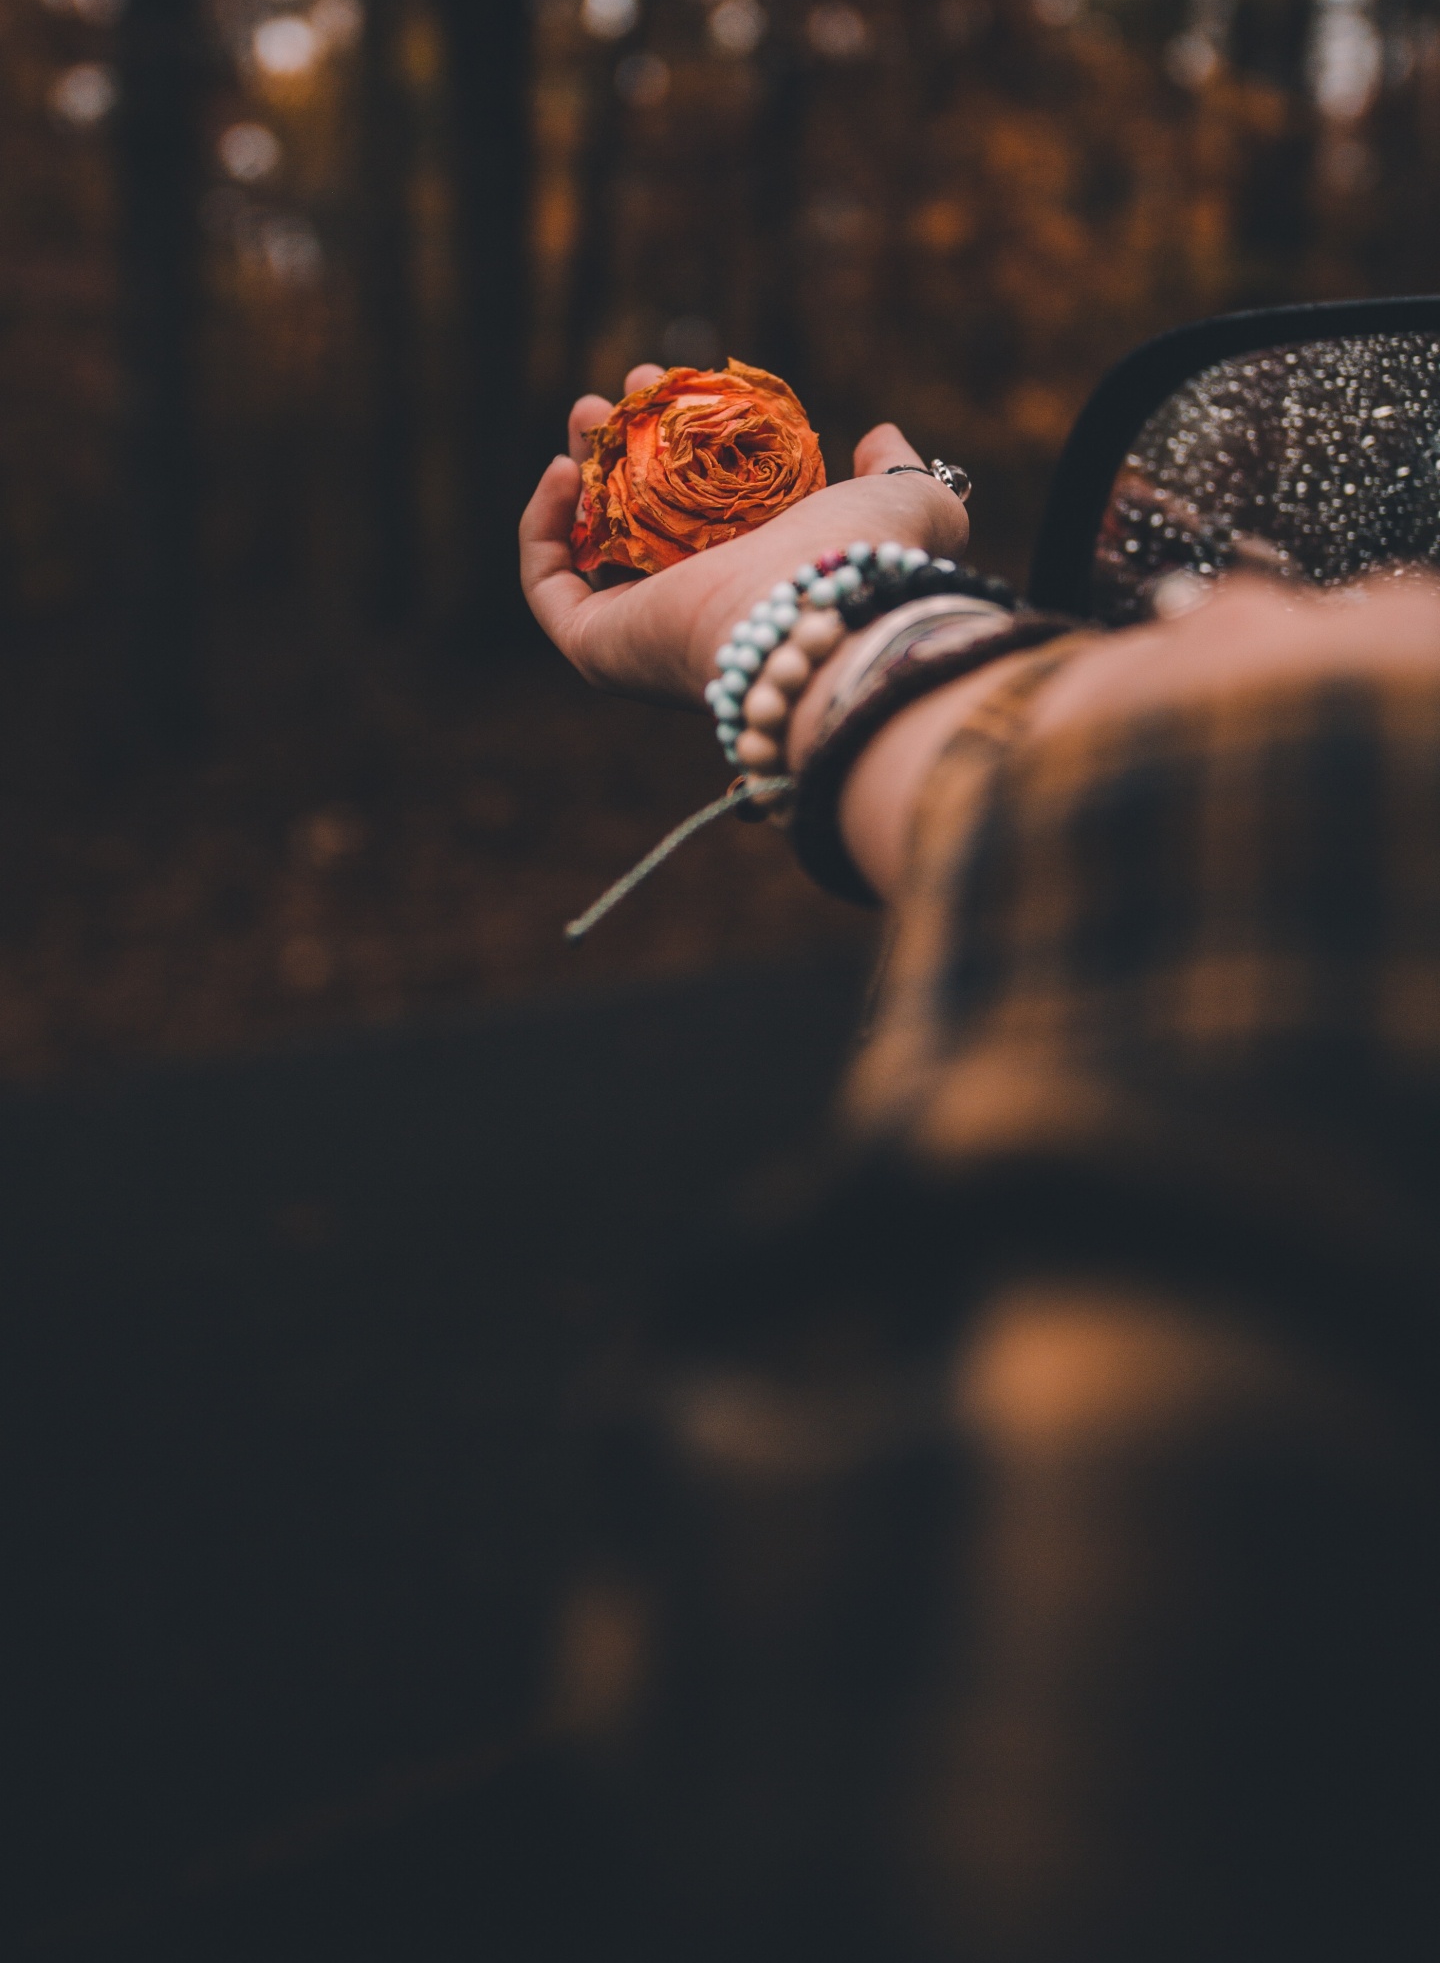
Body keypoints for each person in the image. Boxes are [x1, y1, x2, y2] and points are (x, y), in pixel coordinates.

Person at [520, 369, 1440, 1963]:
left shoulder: (932, 1610)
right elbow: (1209, 859)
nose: (1220, 606)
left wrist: (819, 606)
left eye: (1399, 588)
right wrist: (816, 608)